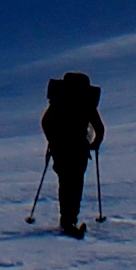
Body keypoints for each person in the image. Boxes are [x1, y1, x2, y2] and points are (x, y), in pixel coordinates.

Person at [39, 71, 103, 236]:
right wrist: (94, 144)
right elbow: (99, 128)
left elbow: (45, 122)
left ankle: (66, 219)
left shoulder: (58, 100)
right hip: (79, 148)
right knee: (75, 183)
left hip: (61, 148)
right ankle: (70, 218)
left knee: (65, 182)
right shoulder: (87, 101)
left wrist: (53, 140)